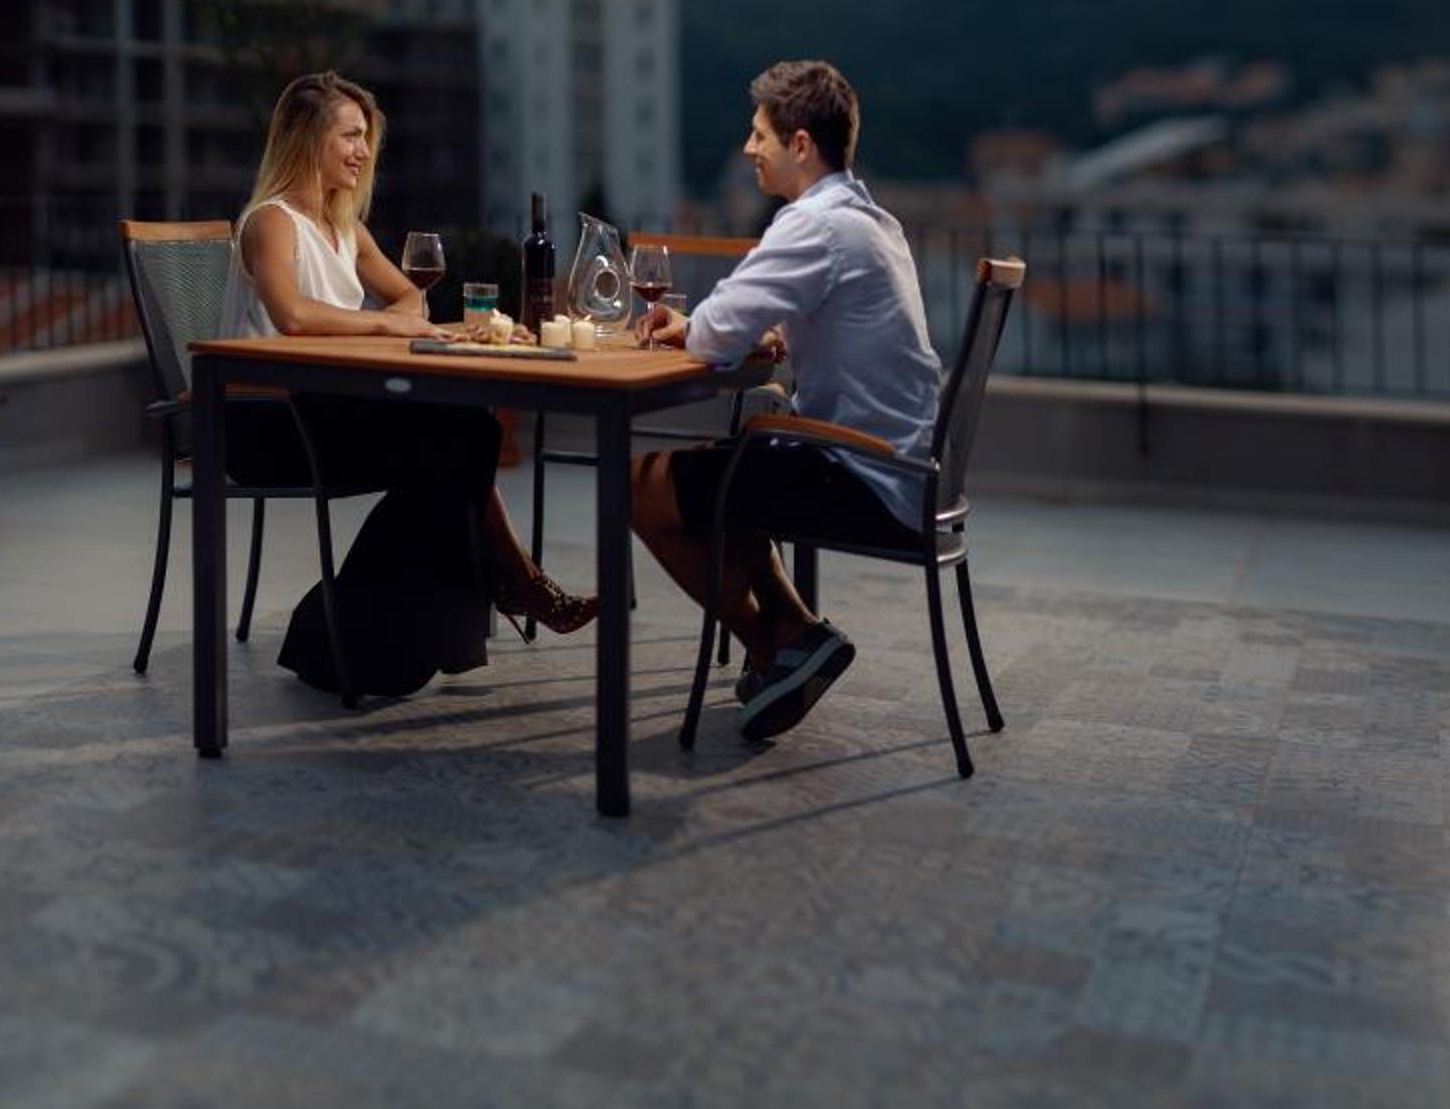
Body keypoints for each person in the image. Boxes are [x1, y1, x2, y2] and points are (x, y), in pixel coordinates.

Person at [222, 70, 596, 697]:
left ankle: (353, 627)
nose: (362, 152)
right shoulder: (272, 222)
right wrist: (381, 323)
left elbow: (409, 298)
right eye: (349, 136)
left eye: (365, 138)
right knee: (458, 438)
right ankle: (510, 584)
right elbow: (293, 316)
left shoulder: (344, 227)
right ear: (307, 139)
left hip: (325, 410)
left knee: (467, 430)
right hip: (268, 424)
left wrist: (395, 317)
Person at [634, 59, 940, 743]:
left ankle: (780, 645)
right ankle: (795, 633)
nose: (748, 150)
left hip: (864, 475)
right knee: (738, 461)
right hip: (901, 468)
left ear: (800, 145)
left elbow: (715, 336)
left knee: (640, 488)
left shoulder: (814, 227)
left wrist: (702, 327)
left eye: (759, 136)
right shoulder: (871, 221)